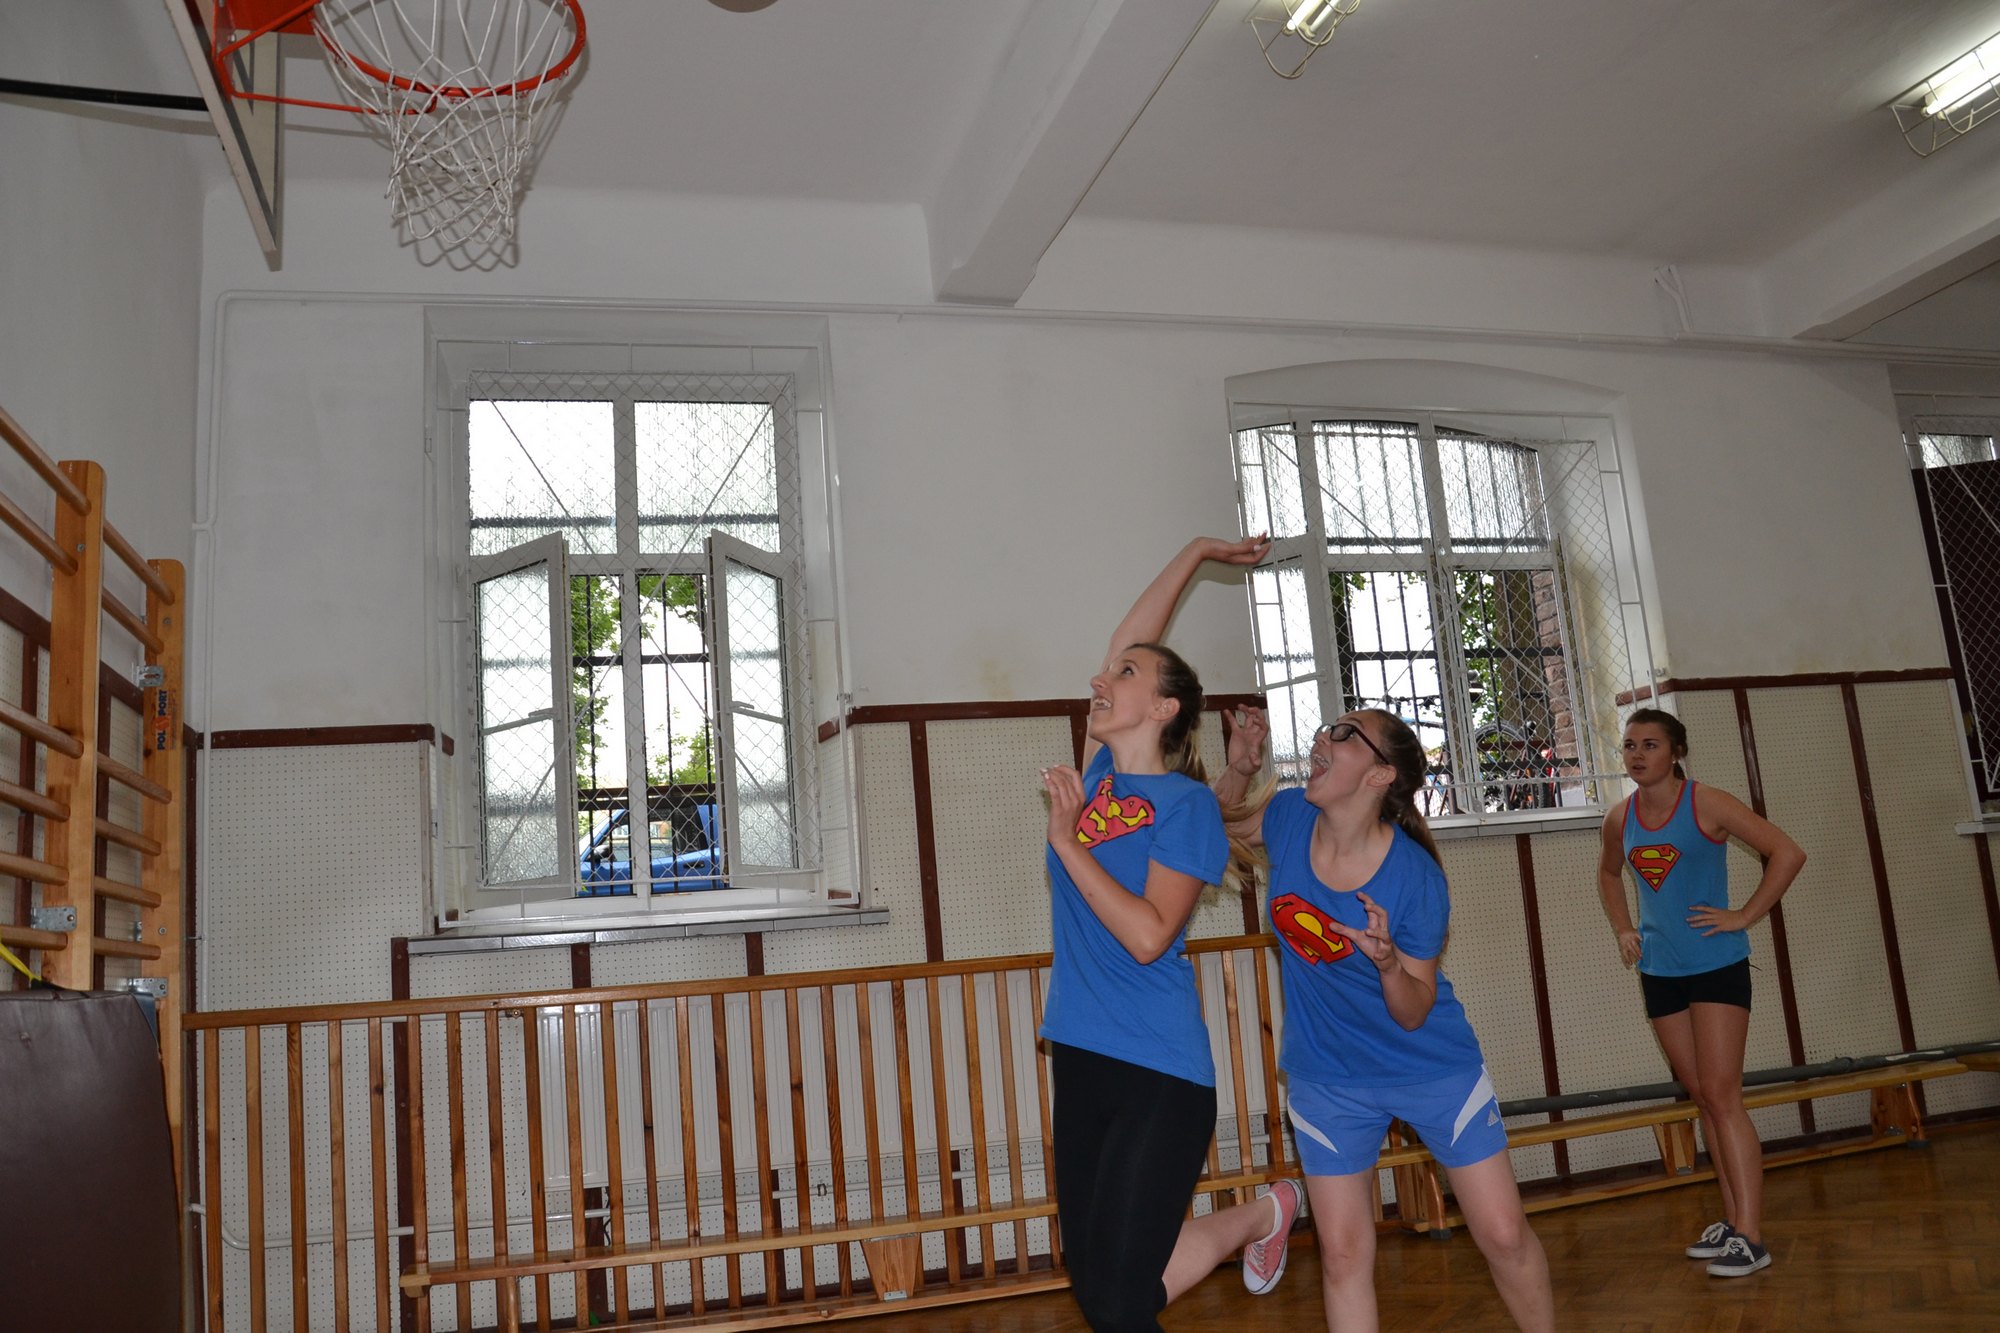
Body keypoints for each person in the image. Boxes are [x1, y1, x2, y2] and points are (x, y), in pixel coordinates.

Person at [1038, 534, 1304, 1333]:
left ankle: (1264, 1214)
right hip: (1080, 1056)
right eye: (1108, 672)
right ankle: (1263, 1215)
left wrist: (1068, 844)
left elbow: (1151, 934)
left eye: (1125, 676)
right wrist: (1197, 552)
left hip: (1158, 1072)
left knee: (1120, 1301)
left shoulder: (1186, 808)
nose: (1102, 679)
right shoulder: (1097, 778)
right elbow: (1128, 636)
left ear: (1163, 708)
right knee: (1101, 1291)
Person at [1217, 705, 1554, 1333]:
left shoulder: (1415, 878)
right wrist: (1239, 768)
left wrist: (1390, 964)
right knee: (1344, 1256)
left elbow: (1414, 1010)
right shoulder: (1290, 817)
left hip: (1432, 1069)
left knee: (1505, 1235)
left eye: (1346, 734)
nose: (1323, 736)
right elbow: (1214, 823)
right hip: (1328, 1078)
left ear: (1380, 775)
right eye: (1328, 727)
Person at [1595, 706, 1805, 1278]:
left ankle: (1752, 1237)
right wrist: (1624, 928)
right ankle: (1734, 1221)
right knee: (1704, 1097)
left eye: (1651, 744)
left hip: (1716, 966)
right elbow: (1609, 873)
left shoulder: (1706, 803)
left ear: (1676, 753)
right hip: (1660, 971)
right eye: (1630, 745)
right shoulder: (1620, 817)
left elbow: (1787, 853)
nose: (1638, 754)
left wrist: (1744, 915)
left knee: (1722, 1095)